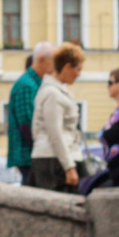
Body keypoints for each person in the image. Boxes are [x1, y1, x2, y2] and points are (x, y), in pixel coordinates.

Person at [29, 44, 86, 191]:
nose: (79, 74)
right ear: (67, 67)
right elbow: (54, 132)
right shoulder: (53, 93)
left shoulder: (54, 90)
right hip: (55, 160)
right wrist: (69, 166)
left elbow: (37, 131)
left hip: (54, 157)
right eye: (78, 69)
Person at [5, 44, 51, 182]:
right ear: (42, 59)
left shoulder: (34, 83)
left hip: (31, 154)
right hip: (28, 155)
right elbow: (27, 124)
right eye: (53, 60)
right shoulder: (27, 85)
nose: (56, 65)